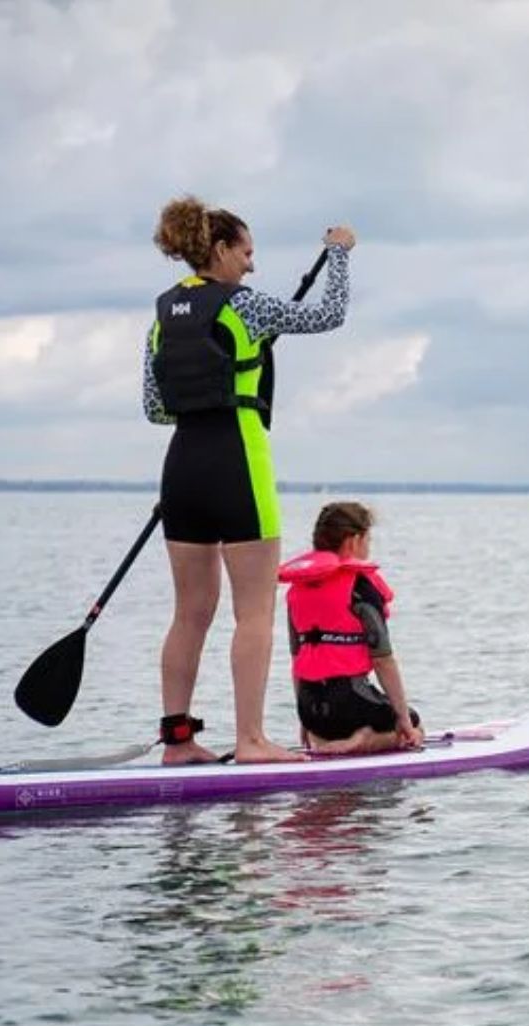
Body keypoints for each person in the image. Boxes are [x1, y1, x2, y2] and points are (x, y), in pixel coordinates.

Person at [145, 195, 356, 764]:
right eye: (246, 253)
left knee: (189, 614)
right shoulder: (248, 306)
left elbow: (155, 408)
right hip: (238, 462)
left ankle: (178, 745)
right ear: (219, 250)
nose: (252, 266)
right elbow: (328, 315)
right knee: (254, 611)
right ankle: (252, 740)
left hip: (182, 466)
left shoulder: (163, 314)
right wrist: (339, 255)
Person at [277, 501, 424, 755]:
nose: (368, 546)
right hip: (351, 703)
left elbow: (298, 657)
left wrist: (305, 718)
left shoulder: (297, 589)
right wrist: (403, 719)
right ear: (354, 540)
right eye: (368, 539)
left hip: (310, 708)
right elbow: (383, 660)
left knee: (328, 728)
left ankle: (324, 740)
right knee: (416, 726)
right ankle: (362, 741)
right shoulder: (361, 587)